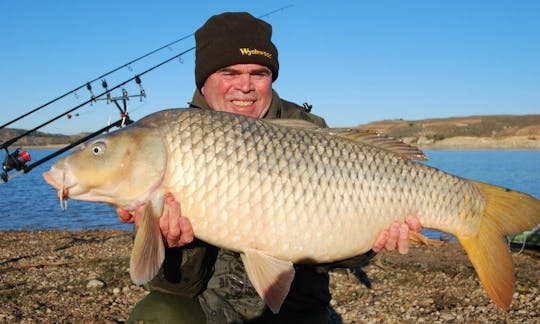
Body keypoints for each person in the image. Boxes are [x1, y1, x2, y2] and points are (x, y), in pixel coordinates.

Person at [117, 12, 422, 324]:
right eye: (229, 72)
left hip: (299, 304)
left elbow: (337, 243)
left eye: (259, 73)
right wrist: (177, 244)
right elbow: (168, 286)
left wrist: (370, 243)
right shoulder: (174, 139)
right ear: (203, 81)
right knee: (157, 314)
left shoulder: (308, 130)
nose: (245, 86)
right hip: (209, 303)